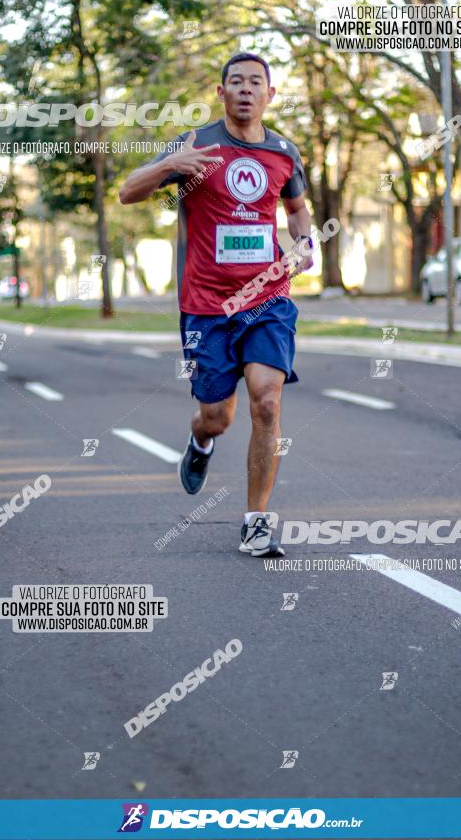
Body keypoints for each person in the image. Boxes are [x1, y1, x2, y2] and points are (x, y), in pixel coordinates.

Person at [119, 52, 314, 557]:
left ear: (270, 95)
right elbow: (126, 192)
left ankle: (255, 522)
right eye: (236, 82)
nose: (246, 89)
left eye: (256, 82)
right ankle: (201, 441)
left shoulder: (285, 153)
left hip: (267, 297)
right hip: (206, 305)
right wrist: (168, 166)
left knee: (267, 402)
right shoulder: (195, 144)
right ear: (221, 92)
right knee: (217, 415)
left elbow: (297, 212)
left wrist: (305, 245)